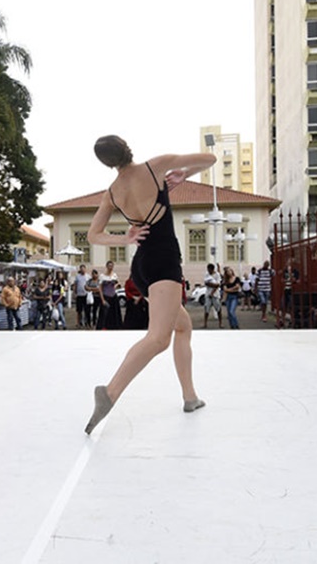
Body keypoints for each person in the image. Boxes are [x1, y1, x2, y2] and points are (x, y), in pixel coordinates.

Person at [83, 136, 214, 434]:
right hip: (163, 261)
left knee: (182, 327)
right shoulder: (156, 166)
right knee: (158, 339)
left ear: (106, 162)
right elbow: (210, 159)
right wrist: (186, 172)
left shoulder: (113, 192)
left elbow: (93, 235)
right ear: (126, 147)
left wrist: (124, 239)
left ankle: (190, 397)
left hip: (141, 265)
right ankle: (110, 392)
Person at [97, 261, 123, 330]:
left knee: (114, 313)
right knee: (104, 313)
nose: (110, 267)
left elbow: (118, 284)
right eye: (109, 266)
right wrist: (102, 299)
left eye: (112, 266)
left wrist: (116, 285)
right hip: (106, 296)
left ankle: (114, 327)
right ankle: (104, 327)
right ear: (106, 266)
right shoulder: (102, 276)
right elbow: (100, 288)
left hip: (114, 296)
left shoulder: (114, 275)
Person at [202, 263, 222, 329]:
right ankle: (205, 324)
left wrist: (212, 292)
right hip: (208, 294)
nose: (209, 271)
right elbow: (206, 283)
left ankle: (220, 323)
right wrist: (213, 285)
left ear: (212, 269)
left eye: (210, 270)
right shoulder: (206, 274)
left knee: (218, 309)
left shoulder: (217, 275)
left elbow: (218, 285)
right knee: (206, 309)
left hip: (216, 295)